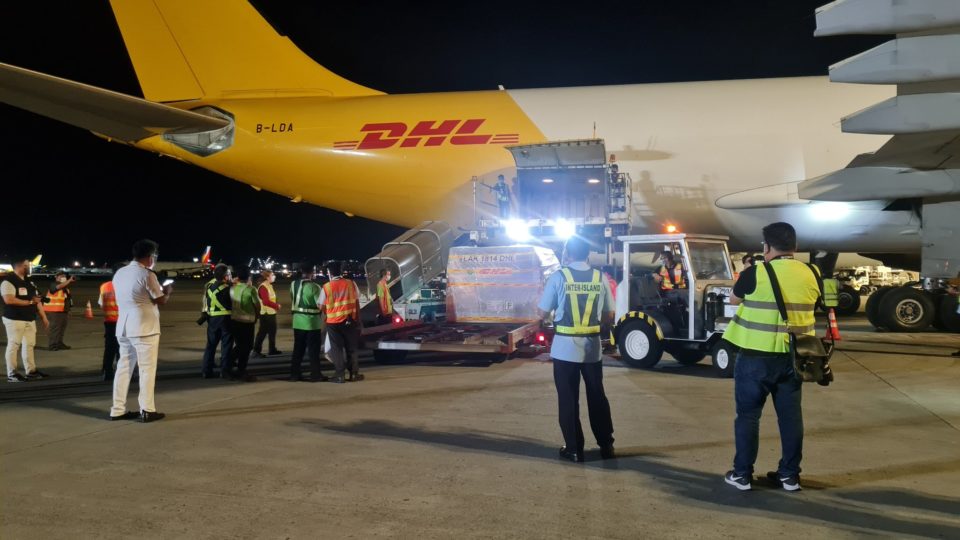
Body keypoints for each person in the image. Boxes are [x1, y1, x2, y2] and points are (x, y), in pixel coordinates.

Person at [721, 222, 821, 492]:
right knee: (790, 418)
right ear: (795, 247)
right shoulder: (812, 272)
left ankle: (742, 474)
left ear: (766, 247)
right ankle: (789, 475)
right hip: (795, 358)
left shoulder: (756, 272)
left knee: (748, 416)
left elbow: (733, 299)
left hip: (755, 357)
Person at [537, 236, 616, 463]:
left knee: (569, 399)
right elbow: (609, 315)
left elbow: (542, 312)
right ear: (588, 255)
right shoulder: (600, 278)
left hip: (564, 349)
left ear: (567, 254)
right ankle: (606, 445)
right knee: (597, 396)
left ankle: (574, 449)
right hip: (592, 350)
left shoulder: (558, 277)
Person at [109, 239, 172, 423]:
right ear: (150, 256)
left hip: (123, 326)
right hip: (144, 327)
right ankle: (147, 409)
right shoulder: (147, 274)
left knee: (123, 368)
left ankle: (117, 409)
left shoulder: (120, 272)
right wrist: (167, 291)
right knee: (146, 370)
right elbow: (159, 300)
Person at [1, 256, 50, 382]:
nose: (30, 267)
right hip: (14, 319)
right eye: (28, 265)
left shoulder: (29, 281)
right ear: (21, 266)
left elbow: (37, 299)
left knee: (29, 345)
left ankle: (31, 371)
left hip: (29, 319)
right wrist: (29, 302)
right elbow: (9, 299)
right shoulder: (8, 281)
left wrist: (44, 317)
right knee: (14, 345)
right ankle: (12, 374)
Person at [320, 260, 363, 384]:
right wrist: (358, 318)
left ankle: (340, 375)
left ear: (329, 273)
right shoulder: (351, 283)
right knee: (352, 348)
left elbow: (320, 305)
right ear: (341, 271)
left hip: (333, 322)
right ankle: (354, 374)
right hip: (350, 320)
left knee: (337, 349)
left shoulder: (327, 287)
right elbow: (357, 301)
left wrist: (329, 311)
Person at [289, 264, 328, 382]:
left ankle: (294, 374)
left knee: (298, 350)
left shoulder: (293, 284)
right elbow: (320, 305)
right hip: (312, 323)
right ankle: (315, 374)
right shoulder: (315, 287)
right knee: (313, 351)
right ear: (311, 272)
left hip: (297, 322)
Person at [226, 265, 260, 382]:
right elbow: (257, 305)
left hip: (235, 320)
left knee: (240, 345)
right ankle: (238, 368)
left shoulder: (232, 288)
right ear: (249, 276)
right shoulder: (251, 289)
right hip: (247, 321)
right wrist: (257, 316)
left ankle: (230, 367)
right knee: (247, 346)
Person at [201, 264, 233, 379]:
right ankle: (225, 371)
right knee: (226, 346)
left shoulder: (209, 287)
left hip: (212, 319)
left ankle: (206, 370)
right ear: (226, 276)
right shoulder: (228, 289)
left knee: (211, 345)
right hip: (225, 319)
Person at [98, 264, 122, 381]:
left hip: (109, 322)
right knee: (122, 349)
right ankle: (122, 374)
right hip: (123, 322)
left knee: (109, 349)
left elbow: (101, 304)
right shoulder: (125, 285)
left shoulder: (105, 286)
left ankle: (107, 372)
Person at [253, 270, 282, 357]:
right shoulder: (263, 287)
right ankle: (256, 351)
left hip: (270, 313)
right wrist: (276, 306)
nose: (274, 276)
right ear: (267, 277)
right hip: (265, 314)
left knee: (272, 332)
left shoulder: (269, 285)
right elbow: (265, 301)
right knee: (262, 333)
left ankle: (272, 349)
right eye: (272, 275)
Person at [44, 271, 76, 350]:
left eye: (64, 276)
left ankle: (59, 343)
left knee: (62, 328)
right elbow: (58, 287)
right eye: (61, 276)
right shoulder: (54, 284)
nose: (63, 277)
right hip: (54, 311)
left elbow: (68, 300)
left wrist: (69, 310)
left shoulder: (65, 289)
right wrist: (69, 281)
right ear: (56, 277)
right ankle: (52, 345)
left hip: (63, 311)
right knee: (55, 328)